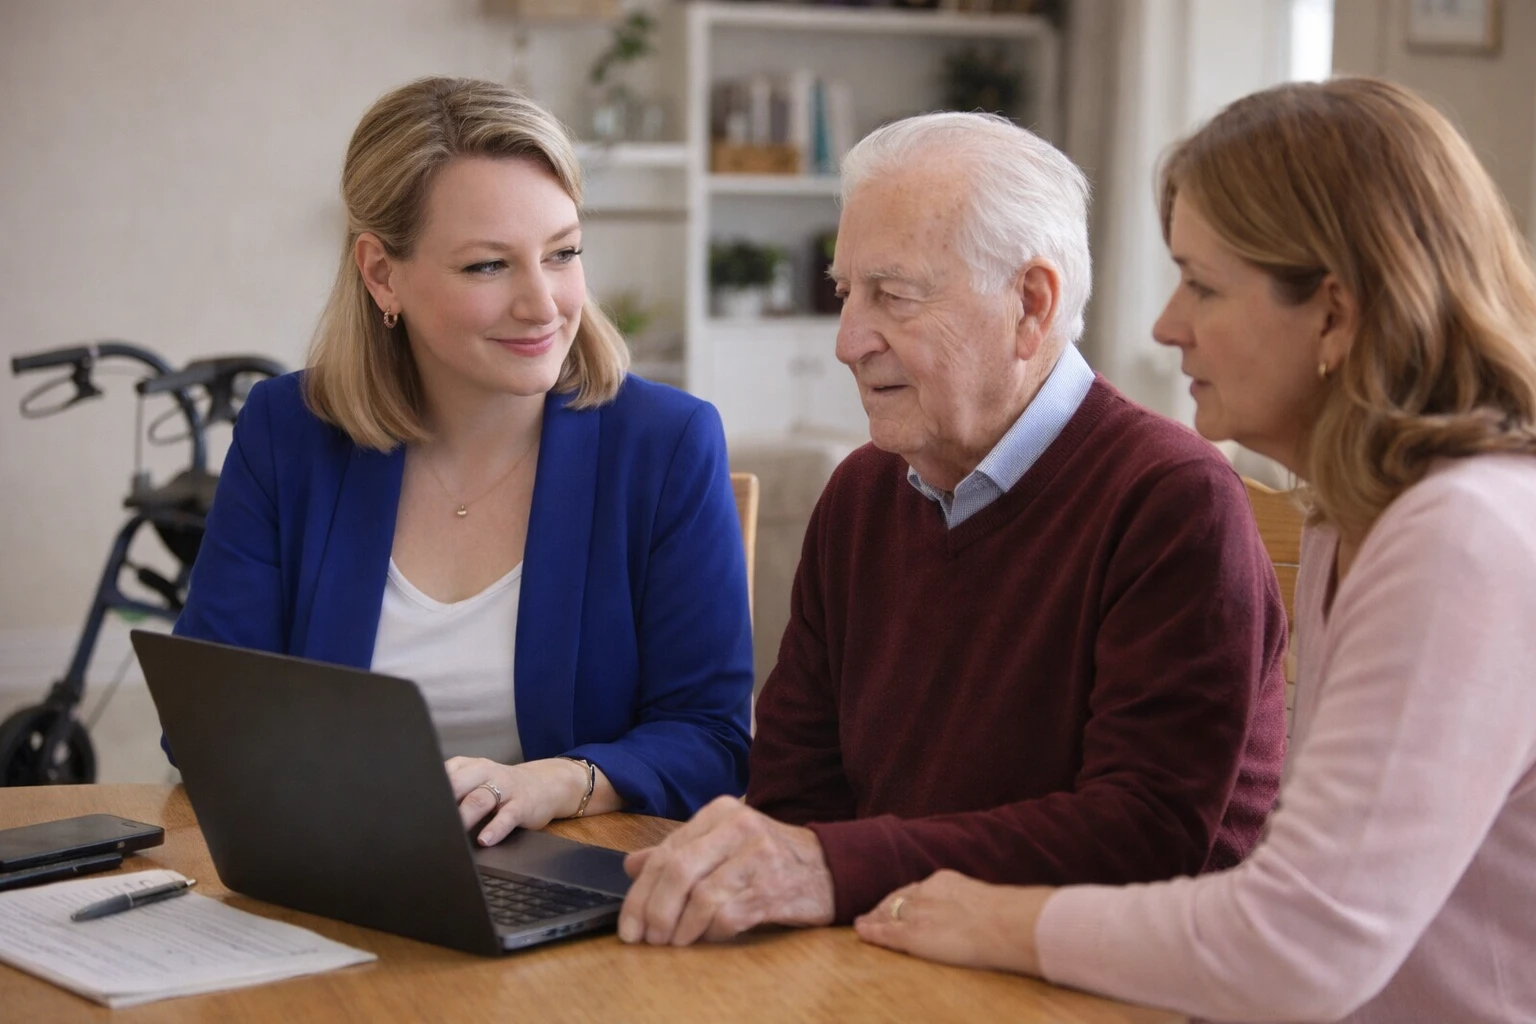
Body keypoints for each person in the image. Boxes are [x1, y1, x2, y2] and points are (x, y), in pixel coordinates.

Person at [853, 78, 1536, 1024]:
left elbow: (1300, 942)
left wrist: (987, 920)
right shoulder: (1366, 515)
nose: (1166, 325)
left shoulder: (1461, 535)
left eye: (1203, 285)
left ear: (1333, 315)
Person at [616, 111, 1289, 946]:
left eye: (892, 296)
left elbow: (1140, 836)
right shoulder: (861, 493)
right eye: (844, 292)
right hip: (886, 968)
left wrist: (830, 866)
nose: (847, 340)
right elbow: (796, 798)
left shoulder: (1172, 499)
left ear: (1030, 305)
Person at [172, 77, 753, 845]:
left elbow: (712, 741)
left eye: (563, 253)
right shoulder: (290, 430)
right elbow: (204, 720)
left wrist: (562, 781)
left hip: (570, 890)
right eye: (488, 266)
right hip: (330, 871)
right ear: (382, 273)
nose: (543, 304)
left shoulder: (665, 444)